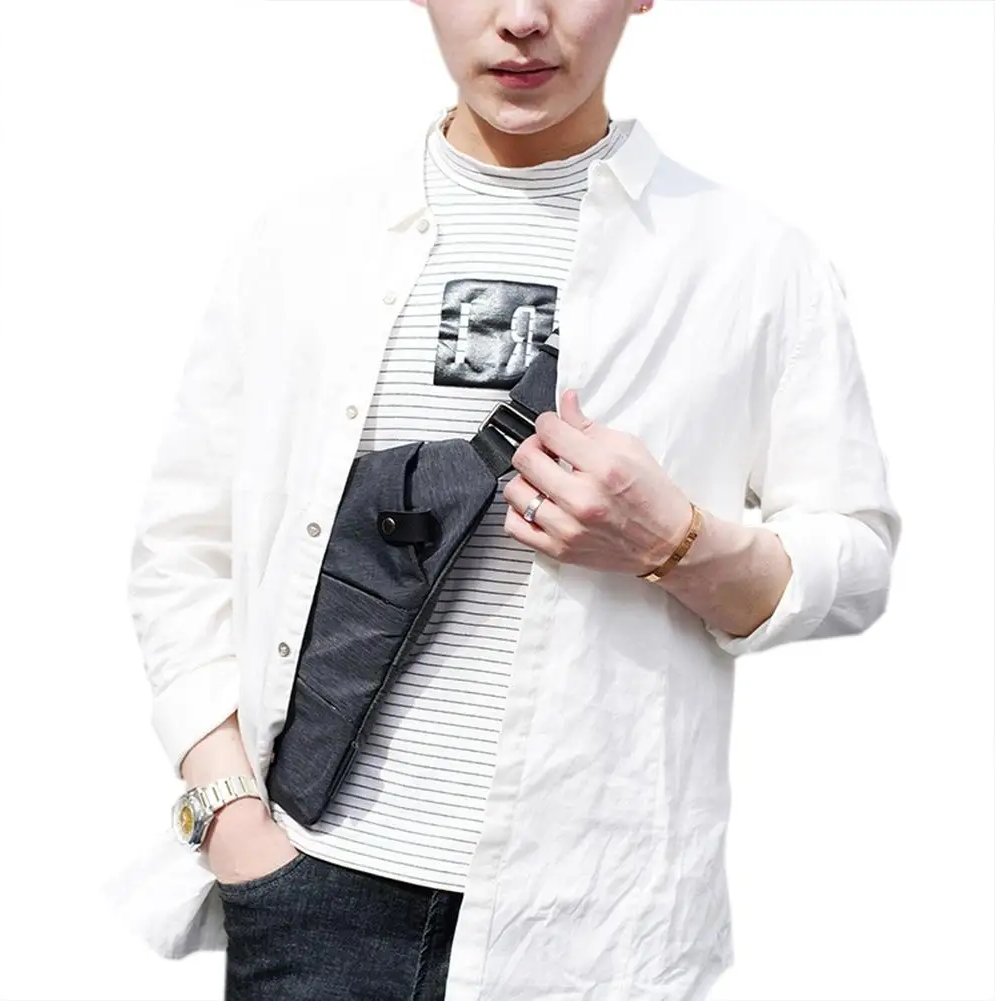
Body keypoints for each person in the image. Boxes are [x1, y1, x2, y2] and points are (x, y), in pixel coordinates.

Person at [105, 0, 902, 998]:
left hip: (593, 921)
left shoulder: (752, 263)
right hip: (313, 885)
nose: (521, 18)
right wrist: (231, 821)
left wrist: (677, 541)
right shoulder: (300, 243)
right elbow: (182, 546)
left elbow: (854, 558)